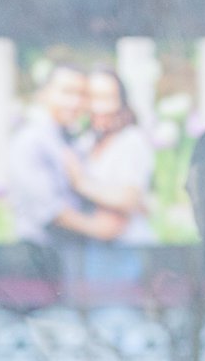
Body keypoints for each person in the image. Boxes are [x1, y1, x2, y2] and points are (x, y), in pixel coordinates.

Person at [4, 63, 127, 288]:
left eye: (81, 95)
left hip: (70, 259)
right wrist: (102, 230)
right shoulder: (31, 141)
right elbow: (50, 211)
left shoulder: (71, 138)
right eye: (66, 92)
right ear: (44, 94)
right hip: (38, 259)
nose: (75, 102)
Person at [65, 67, 156, 283]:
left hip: (128, 255)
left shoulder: (131, 140)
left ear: (121, 102)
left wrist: (81, 183)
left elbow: (129, 199)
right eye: (92, 98)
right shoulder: (86, 141)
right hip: (96, 254)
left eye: (107, 98)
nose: (99, 107)